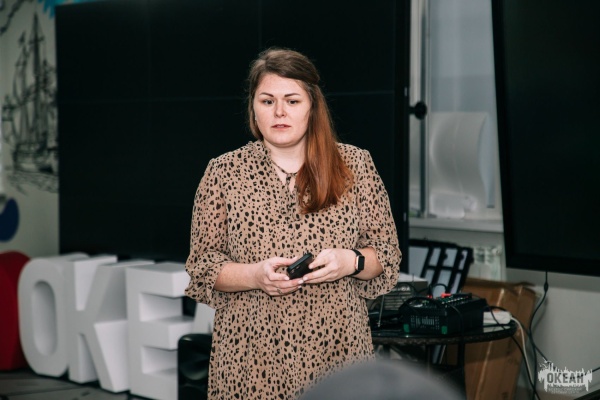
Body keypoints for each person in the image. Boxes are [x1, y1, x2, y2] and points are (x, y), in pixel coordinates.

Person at [184, 47, 402, 400]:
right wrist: (255, 275)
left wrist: (350, 261)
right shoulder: (223, 172)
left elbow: (387, 254)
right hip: (250, 357)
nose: (279, 112)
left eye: (292, 100)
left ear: (312, 106)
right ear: (253, 108)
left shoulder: (354, 165)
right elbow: (203, 266)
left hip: (338, 352)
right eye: (267, 101)